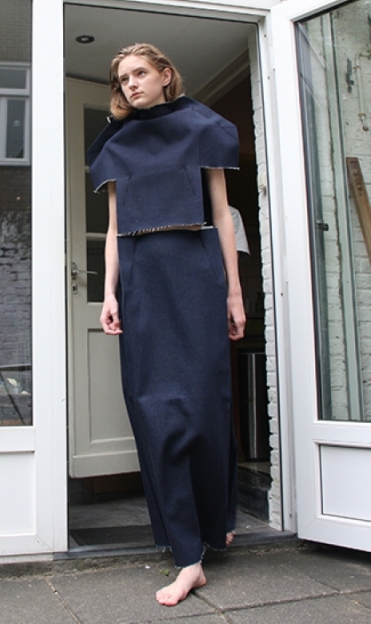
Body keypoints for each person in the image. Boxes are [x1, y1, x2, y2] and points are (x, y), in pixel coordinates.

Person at [87, 44, 246, 607]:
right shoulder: (116, 142)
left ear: (165, 74)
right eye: (122, 79)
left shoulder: (203, 129)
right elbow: (113, 228)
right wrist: (109, 292)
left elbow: (221, 215)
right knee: (155, 410)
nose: (130, 84)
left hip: (196, 276)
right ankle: (187, 556)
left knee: (205, 406)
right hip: (143, 281)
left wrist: (233, 293)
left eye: (139, 73)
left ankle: (214, 520)